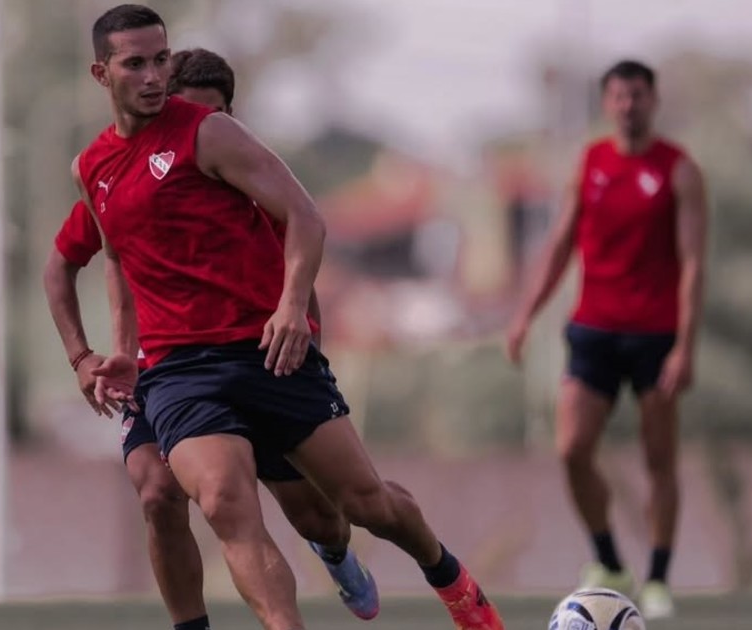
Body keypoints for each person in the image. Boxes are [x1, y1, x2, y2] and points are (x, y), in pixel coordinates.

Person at [78, 5, 503, 630]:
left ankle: (449, 577)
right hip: (179, 373)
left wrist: (291, 308)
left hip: (266, 354)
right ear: (101, 74)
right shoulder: (93, 167)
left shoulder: (210, 134)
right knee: (222, 500)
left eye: (160, 60)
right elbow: (111, 259)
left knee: (366, 505)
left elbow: (306, 217)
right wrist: (103, 351)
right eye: (134, 64)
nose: (151, 76)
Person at [44, 48, 378, 629]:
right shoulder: (123, 177)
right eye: (185, 113)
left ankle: (335, 552)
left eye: (211, 117)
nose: (192, 131)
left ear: (228, 119)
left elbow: (300, 274)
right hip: (163, 370)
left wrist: (303, 349)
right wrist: (82, 356)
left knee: (315, 517)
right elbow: (63, 265)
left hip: (251, 362)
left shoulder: (251, 183)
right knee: (156, 492)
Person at [506, 59, 708, 619]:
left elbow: (693, 263)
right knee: (572, 449)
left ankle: (659, 577)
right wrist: (525, 314)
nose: (628, 105)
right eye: (618, 96)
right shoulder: (591, 163)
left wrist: (686, 346)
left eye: (637, 95)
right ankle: (610, 560)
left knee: (658, 458)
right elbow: (560, 244)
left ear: (653, 100)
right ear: (606, 103)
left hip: (655, 335)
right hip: (593, 329)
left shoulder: (679, 171)